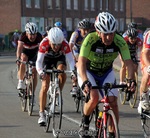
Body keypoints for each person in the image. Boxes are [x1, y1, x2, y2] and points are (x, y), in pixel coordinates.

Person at [77, 12, 136, 138]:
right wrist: (85, 80)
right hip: (89, 72)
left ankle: (111, 133)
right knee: (93, 98)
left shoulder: (119, 41)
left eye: (111, 33)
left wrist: (131, 79)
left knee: (113, 102)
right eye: (105, 34)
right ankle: (85, 122)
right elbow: (81, 62)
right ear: (98, 32)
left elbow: (129, 63)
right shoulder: (90, 39)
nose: (109, 37)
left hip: (106, 72)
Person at [36, 27, 76, 125]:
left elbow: (71, 60)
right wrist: (41, 72)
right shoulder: (44, 43)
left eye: (58, 45)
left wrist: (73, 72)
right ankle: (41, 114)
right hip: (47, 59)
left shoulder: (65, 44)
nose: (56, 47)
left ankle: (58, 93)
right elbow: (39, 61)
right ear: (49, 40)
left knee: (62, 72)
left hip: (59, 58)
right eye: (54, 44)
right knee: (45, 85)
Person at [16, 22, 42, 94]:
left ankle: (32, 93)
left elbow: (42, 50)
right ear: (27, 33)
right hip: (25, 52)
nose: (33, 37)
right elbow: (19, 48)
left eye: (34, 34)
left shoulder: (39, 37)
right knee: (23, 59)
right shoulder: (23, 36)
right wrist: (18, 58)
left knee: (34, 72)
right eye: (31, 34)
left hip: (34, 54)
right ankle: (21, 81)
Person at [69, 19, 91, 96]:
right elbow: (70, 46)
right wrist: (72, 57)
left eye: (87, 30)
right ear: (80, 29)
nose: (85, 32)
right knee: (77, 62)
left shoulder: (90, 35)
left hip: (85, 51)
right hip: (76, 51)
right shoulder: (76, 34)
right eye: (84, 30)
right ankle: (74, 85)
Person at [138, 30, 150, 113]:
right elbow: (145, 54)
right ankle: (143, 97)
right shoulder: (149, 35)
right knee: (147, 73)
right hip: (147, 57)